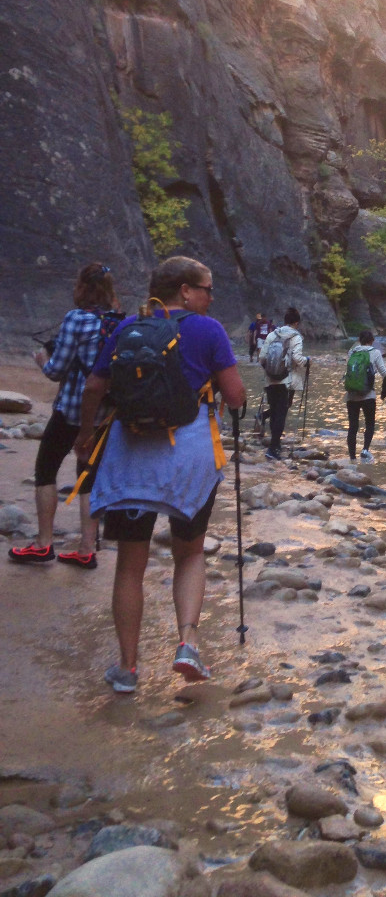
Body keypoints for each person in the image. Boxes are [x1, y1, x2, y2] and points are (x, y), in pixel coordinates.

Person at [74, 255, 245, 692]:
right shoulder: (208, 330)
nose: (210, 297)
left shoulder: (128, 326)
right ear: (186, 290)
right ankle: (187, 644)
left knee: (130, 564)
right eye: (207, 289)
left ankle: (128, 669)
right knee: (189, 554)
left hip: (129, 453)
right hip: (188, 458)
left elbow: (95, 386)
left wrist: (84, 435)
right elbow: (237, 396)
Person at [9, 262, 121, 569]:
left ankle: (43, 544)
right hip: (106, 413)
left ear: (82, 288)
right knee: (87, 476)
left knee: (46, 470)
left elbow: (57, 371)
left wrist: (42, 360)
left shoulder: (77, 319)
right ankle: (87, 547)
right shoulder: (117, 321)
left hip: (72, 408)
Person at [259, 308, 309, 461]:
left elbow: (262, 358)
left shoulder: (272, 334)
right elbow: (297, 358)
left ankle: (276, 444)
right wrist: (307, 361)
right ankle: (273, 447)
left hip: (270, 379)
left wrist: (271, 370)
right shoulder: (295, 336)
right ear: (296, 323)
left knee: (274, 411)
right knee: (281, 413)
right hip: (287, 381)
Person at [344, 330, 386, 463]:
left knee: (353, 426)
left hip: (351, 395)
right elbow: (384, 372)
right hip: (368, 395)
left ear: (360, 340)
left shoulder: (353, 352)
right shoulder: (375, 352)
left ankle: (352, 458)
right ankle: (365, 450)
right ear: (372, 340)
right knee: (370, 423)